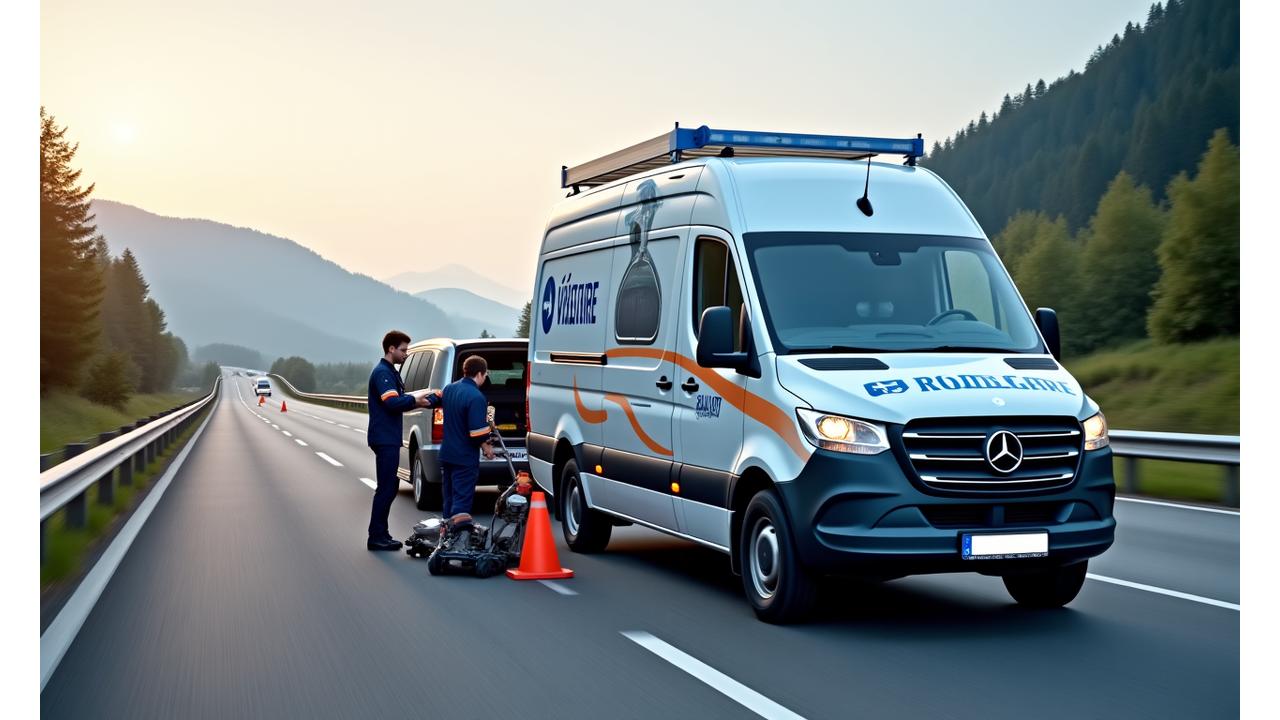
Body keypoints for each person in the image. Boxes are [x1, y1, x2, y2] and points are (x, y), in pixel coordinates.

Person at [366, 330, 433, 551]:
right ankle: (376, 536)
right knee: (386, 487)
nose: (406, 354)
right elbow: (392, 403)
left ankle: (381, 533)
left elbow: (400, 400)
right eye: (403, 350)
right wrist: (417, 401)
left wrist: (424, 400)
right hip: (384, 438)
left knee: (390, 485)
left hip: (388, 437)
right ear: (391, 349)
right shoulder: (382, 373)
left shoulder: (391, 372)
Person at [437, 355, 494, 531]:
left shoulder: (449, 389)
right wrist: (487, 443)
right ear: (480, 373)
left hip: (447, 454)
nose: (485, 378)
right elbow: (476, 432)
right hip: (464, 457)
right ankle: (457, 542)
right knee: (461, 501)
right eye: (485, 375)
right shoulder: (476, 397)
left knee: (449, 499)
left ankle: (445, 538)